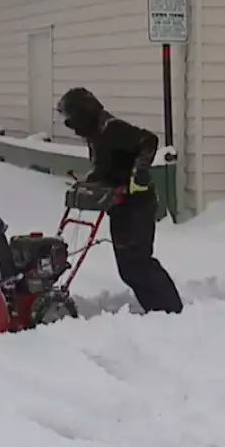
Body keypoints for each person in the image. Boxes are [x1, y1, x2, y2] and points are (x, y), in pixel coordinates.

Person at [56, 87, 183, 314]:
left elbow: (149, 141)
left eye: (72, 120)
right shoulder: (94, 134)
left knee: (138, 264)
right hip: (121, 206)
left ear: (85, 113)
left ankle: (171, 311)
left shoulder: (112, 128)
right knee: (129, 267)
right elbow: (108, 165)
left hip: (137, 205)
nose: (71, 127)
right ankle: (159, 312)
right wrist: (90, 181)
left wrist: (139, 173)